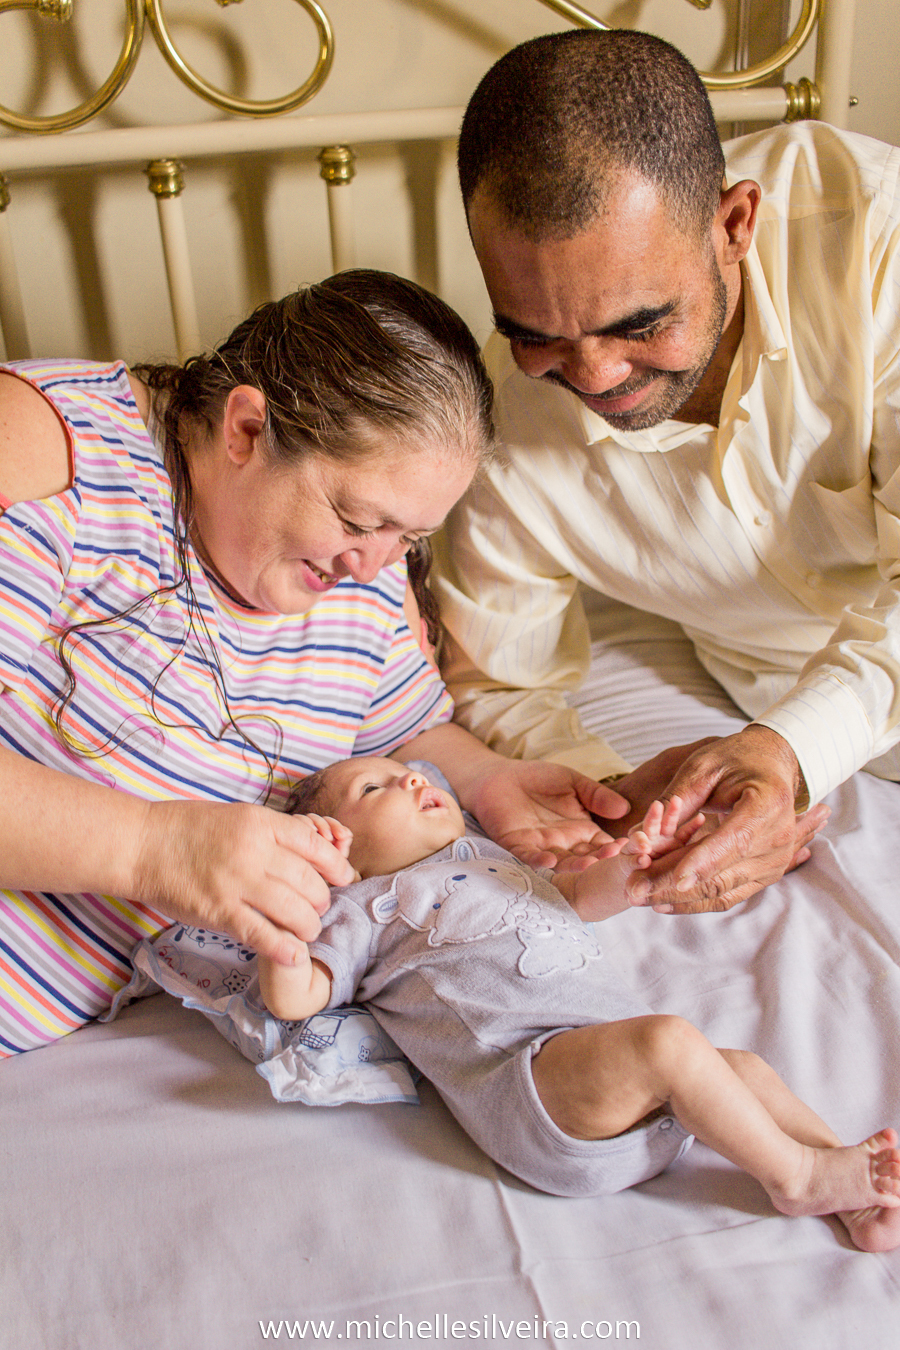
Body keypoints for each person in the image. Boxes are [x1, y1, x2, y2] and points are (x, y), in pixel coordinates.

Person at [0, 269, 632, 1058]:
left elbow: (405, 731)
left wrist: (484, 779)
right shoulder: (51, 446)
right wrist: (156, 848)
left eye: (408, 539)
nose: (373, 566)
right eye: (358, 519)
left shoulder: (366, 578)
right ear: (245, 431)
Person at [433, 27, 900, 914]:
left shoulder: (881, 237)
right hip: (769, 687)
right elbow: (504, 677)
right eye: (536, 335)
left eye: (641, 323)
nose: (595, 376)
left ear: (735, 225)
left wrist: (789, 749)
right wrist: (624, 804)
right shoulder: (496, 421)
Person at [257, 755, 900, 1255]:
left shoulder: (484, 856)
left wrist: (636, 868)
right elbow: (298, 997)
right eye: (373, 789)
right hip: (534, 1093)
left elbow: (576, 898)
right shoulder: (363, 906)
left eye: (404, 773)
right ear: (336, 847)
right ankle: (799, 1178)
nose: (407, 782)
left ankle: (857, 1198)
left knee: (741, 1070)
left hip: (627, 1089)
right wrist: (279, 925)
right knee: (671, 1043)